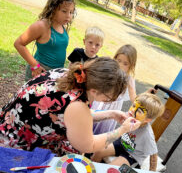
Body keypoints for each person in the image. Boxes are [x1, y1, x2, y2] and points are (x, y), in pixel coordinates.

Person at [0, 58, 141, 156]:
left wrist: (111, 114)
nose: (110, 101)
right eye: (109, 98)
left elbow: (70, 116)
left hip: (8, 124)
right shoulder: (77, 105)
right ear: (94, 91)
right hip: (15, 146)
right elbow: (88, 145)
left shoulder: (73, 75)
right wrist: (123, 130)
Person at [91, 92, 165, 171]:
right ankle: (92, 171)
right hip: (122, 143)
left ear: (148, 119)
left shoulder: (147, 135)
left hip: (132, 154)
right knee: (98, 152)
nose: (132, 110)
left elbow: (154, 155)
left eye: (139, 111)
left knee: (110, 169)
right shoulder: (129, 116)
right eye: (133, 105)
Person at [14, 0, 75, 81]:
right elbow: (19, 43)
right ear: (53, 9)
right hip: (40, 72)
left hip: (55, 73)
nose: (68, 16)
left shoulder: (61, 26)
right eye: (64, 11)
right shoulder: (41, 26)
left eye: (71, 12)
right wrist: (35, 65)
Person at [92, 44, 137, 134]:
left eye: (125, 63)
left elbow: (134, 100)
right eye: (118, 60)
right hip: (99, 103)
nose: (120, 65)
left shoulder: (128, 79)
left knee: (102, 131)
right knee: (89, 122)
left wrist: (131, 87)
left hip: (112, 109)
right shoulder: (110, 72)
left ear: (131, 66)